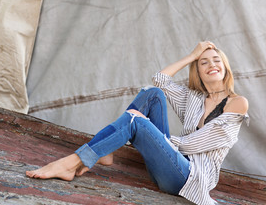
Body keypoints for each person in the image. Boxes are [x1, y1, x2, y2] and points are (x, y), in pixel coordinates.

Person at [26, 41, 249, 205]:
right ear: (198, 71)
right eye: (203, 62)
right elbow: (160, 80)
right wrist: (192, 55)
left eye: (216, 60)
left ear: (225, 66)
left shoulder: (237, 103)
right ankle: (102, 150)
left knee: (135, 120)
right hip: (167, 165)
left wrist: (151, 131)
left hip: (188, 179)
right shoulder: (193, 99)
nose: (211, 65)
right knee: (152, 93)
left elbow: (194, 145)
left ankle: (73, 162)